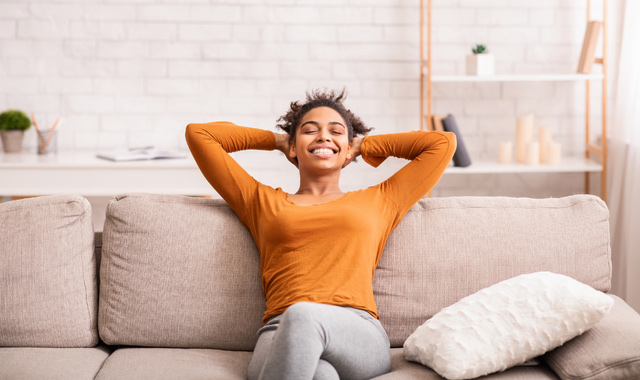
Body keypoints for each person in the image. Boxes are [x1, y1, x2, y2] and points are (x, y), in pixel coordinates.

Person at [185, 89, 456, 380]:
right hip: (279, 331)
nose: (324, 137)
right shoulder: (260, 202)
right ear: (293, 147)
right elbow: (199, 135)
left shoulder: (381, 200)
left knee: (304, 315)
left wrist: (362, 145)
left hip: (356, 330)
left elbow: (441, 143)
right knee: (321, 374)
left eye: (335, 132)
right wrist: (278, 140)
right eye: (310, 131)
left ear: (349, 148)